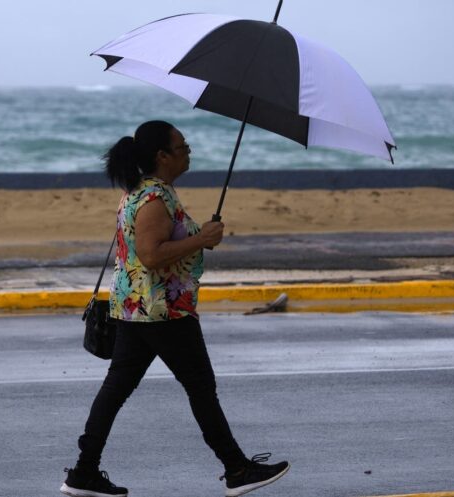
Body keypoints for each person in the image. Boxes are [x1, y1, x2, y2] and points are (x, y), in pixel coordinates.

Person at [60, 120, 290, 497]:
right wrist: (201, 238)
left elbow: (159, 247)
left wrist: (200, 239)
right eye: (182, 147)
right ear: (162, 156)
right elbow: (151, 255)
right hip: (163, 310)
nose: (188, 153)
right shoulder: (154, 198)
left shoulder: (144, 191)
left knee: (116, 390)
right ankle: (236, 469)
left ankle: (84, 472)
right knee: (201, 389)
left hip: (137, 309)